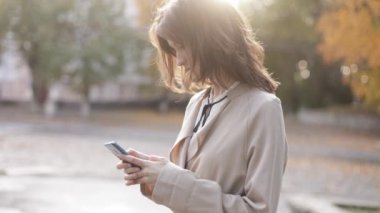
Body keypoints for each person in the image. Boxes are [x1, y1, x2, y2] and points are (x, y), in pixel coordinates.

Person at [116, 0, 287, 212]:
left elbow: (259, 209)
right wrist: (155, 174)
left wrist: (169, 178)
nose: (178, 61)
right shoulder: (197, 103)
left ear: (209, 40)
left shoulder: (264, 109)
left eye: (181, 46)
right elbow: (190, 191)